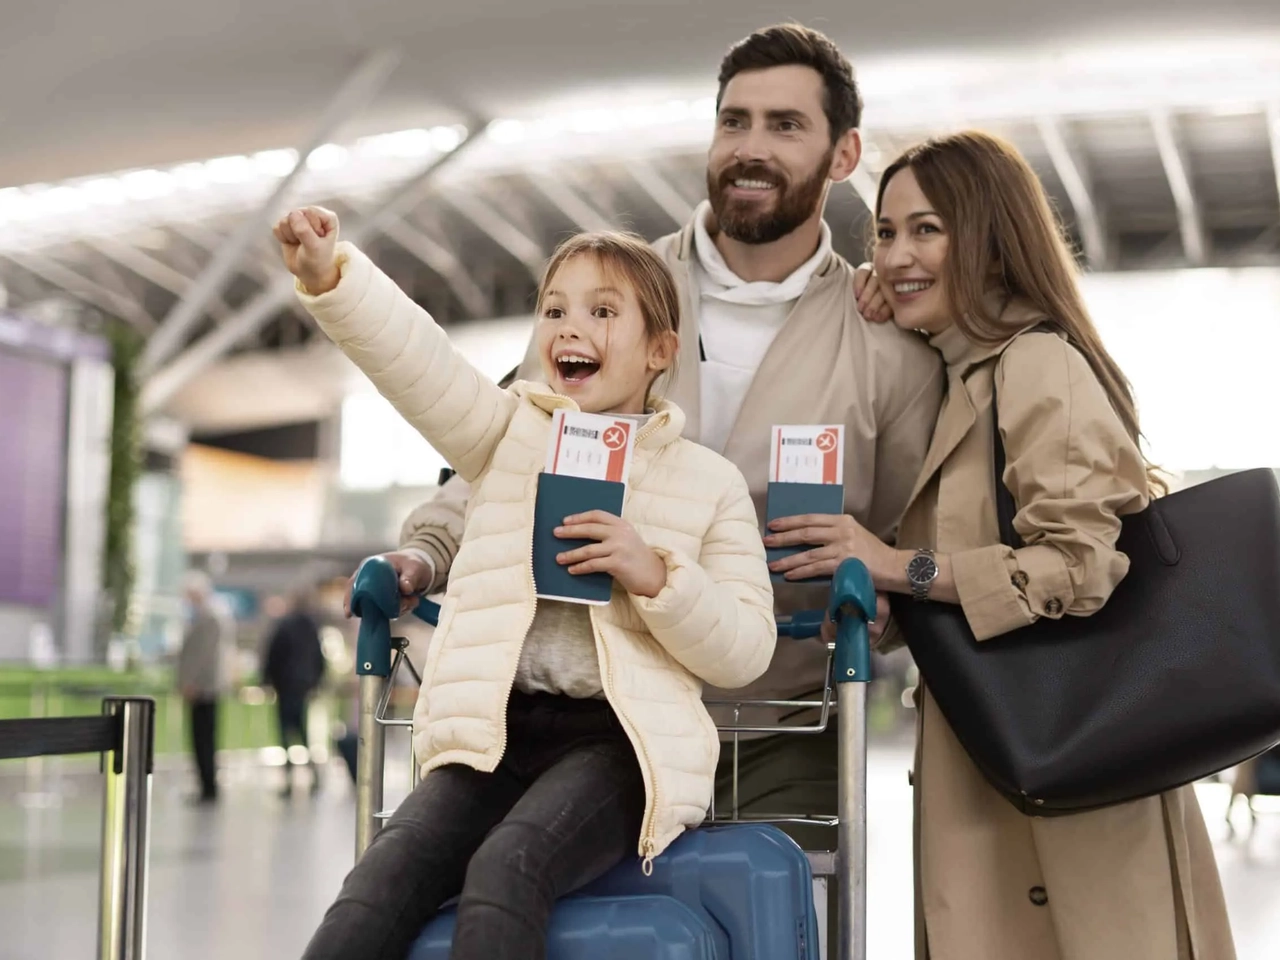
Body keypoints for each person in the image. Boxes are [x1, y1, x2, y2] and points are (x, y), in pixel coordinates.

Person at [343, 22, 944, 850]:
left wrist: (883, 593)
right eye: (734, 121)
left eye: (786, 125)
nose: (751, 148)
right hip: (593, 721)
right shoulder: (605, 295)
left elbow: (917, 537)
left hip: (782, 729)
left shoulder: (888, 347)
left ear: (845, 156)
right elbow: (507, 450)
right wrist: (428, 550)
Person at [274, 205, 777, 960]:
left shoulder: (709, 483)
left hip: (618, 745)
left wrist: (655, 575)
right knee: (377, 885)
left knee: (509, 868)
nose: (571, 327)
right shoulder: (510, 436)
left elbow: (745, 649)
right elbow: (422, 365)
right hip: (494, 732)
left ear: (660, 350)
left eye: (603, 311)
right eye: (555, 309)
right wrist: (332, 276)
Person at [796, 130, 1234, 959]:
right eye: (885, 233)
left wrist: (897, 563)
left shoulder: (1036, 364)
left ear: (992, 236)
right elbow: (967, 566)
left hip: (1072, 773)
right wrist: (888, 606)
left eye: (927, 229)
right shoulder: (965, 377)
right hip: (1001, 756)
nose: (895, 256)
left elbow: (1075, 567)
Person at [261, 586, 327, 797]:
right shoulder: (311, 626)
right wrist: (316, 681)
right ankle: (312, 775)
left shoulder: (284, 625)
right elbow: (319, 657)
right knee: (302, 731)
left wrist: (267, 680)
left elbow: (273, 655)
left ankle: (289, 779)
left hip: (285, 685)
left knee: (285, 732)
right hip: (303, 685)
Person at [175, 571, 233, 805]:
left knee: (204, 738)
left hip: (205, 688)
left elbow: (203, 655)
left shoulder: (210, 617)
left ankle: (208, 787)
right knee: (201, 739)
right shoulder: (208, 615)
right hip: (203, 687)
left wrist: (191, 681)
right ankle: (205, 784)